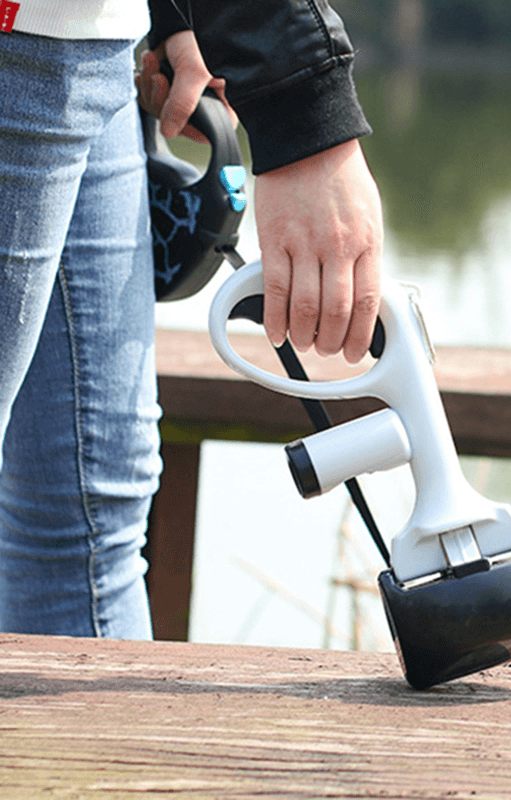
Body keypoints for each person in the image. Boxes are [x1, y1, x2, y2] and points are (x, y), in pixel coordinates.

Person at [0, 0, 383, 638]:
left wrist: (174, 15)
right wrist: (303, 114)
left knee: (88, 520)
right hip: (25, 42)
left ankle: (81, 745)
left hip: (89, 41)